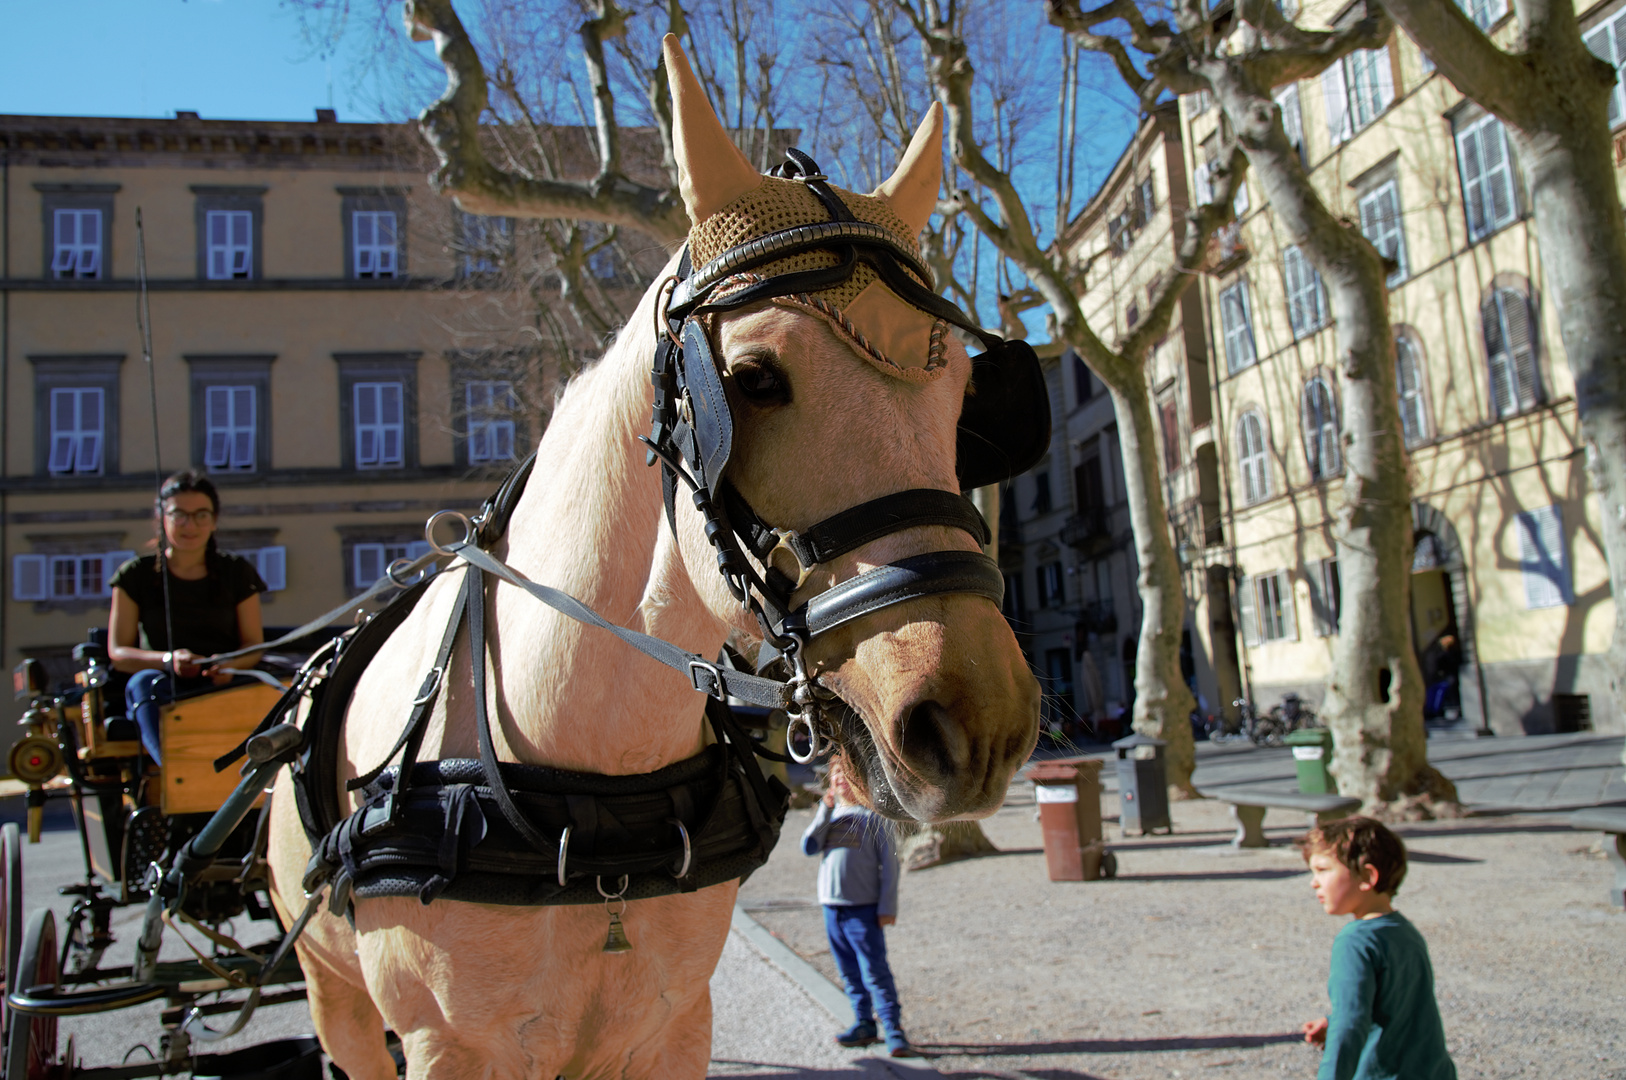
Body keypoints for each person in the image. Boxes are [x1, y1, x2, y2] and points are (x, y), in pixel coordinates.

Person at [108, 470, 267, 765]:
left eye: (201, 515)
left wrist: (229, 664)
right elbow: (118, 653)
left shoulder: (237, 572)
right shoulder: (134, 575)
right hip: (163, 683)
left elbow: (253, 644)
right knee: (144, 685)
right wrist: (168, 660)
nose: (190, 525)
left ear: (214, 520)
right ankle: (178, 772)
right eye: (179, 515)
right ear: (162, 519)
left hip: (224, 681)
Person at [1299, 817, 1457, 1080]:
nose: (1314, 882)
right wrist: (1332, 1020)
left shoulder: (1354, 942)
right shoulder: (1403, 930)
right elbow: (1398, 1002)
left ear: (1368, 877)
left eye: (1323, 870)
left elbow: (1350, 1026)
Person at [801, 759, 913, 1057]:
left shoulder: (874, 817)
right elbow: (808, 846)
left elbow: (890, 867)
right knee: (848, 970)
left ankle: (893, 1029)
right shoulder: (830, 816)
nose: (840, 780)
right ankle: (863, 1022)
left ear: (861, 781)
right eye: (836, 775)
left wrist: (887, 906)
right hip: (832, 907)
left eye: (847, 775)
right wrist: (824, 810)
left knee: (874, 970)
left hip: (863, 908)